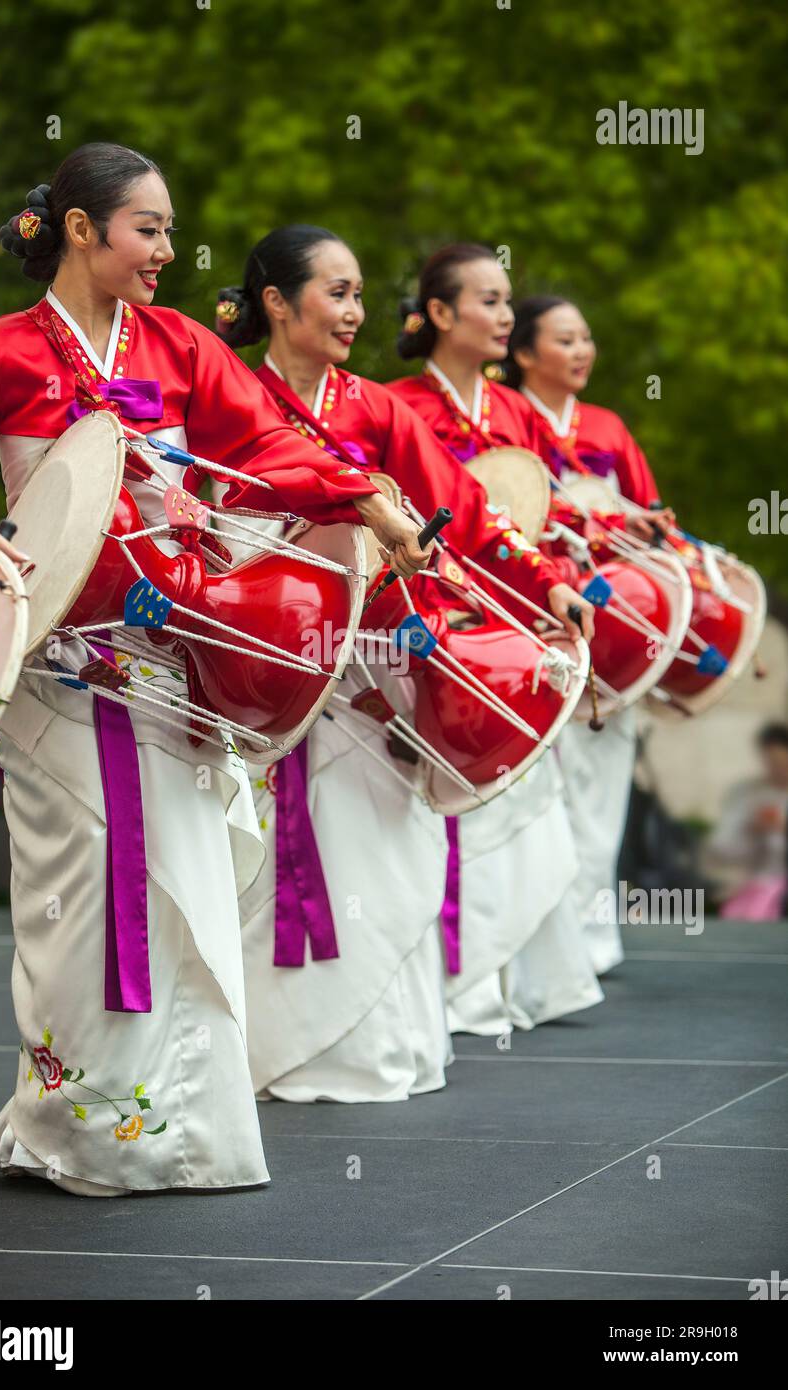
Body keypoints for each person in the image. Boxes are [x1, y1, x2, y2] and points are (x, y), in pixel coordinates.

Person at [0, 144, 432, 1194]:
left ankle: (182, 1132)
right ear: (79, 229)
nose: (166, 249)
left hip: (174, 662)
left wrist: (356, 492)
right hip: (60, 665)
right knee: (87, 891)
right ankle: (81, 1125)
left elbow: (265, 453)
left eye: (165, 228)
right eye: (147, 228)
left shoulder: (183, 346)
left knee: (186, 886)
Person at [216, 226, 599, 1088]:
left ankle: (376, 1051)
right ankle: (268, 1053)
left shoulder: (375, 408)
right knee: (259, 854)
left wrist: (547, 584)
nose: (355, 312)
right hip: (255, 663)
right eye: (337, 293)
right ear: (277, 302)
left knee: (382, 853)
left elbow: (466, 509)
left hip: (372, 662)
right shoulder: (229, 396)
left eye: (359, 294)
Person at [387, 244, 611, 1024]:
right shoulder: (400, 405)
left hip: (520, 600)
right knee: (462, 777)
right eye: (487, 300)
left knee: (527, 787)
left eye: (508, 300)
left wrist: (559, 582)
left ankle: (523, 981)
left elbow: (546, 512)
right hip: (441, 609)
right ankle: (461, 984)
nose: (505, 314)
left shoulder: (512, 410)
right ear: (440, 313)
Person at [505, 293, 675, 973]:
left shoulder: (607, 426)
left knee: (603, 781)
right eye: (565, 339)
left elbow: (653, 511)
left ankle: (592, 939)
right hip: (532, 613)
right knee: (537, 785)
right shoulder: (509, 421)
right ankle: (536, 947)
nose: (582, 351)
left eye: (585, 339)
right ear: (522, 353)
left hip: (610, 624)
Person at [708, 723, 788, 921]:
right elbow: (721, 846)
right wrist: (751, 829)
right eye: (772, 763)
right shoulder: (748, 795)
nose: (779, 770)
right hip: (756, 886)